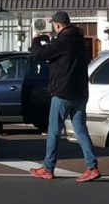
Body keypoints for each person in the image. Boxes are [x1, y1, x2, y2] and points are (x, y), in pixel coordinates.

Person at [29, 11, 100, 183]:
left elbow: (39, 54)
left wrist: (36, 39)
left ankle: (48, 168)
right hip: (80, 93)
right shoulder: (79, 40)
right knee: (81, 129)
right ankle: (92, 167)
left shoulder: (63, 40)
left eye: (54, 25)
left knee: (54, 131)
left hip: (63, 92)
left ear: (58, 25)